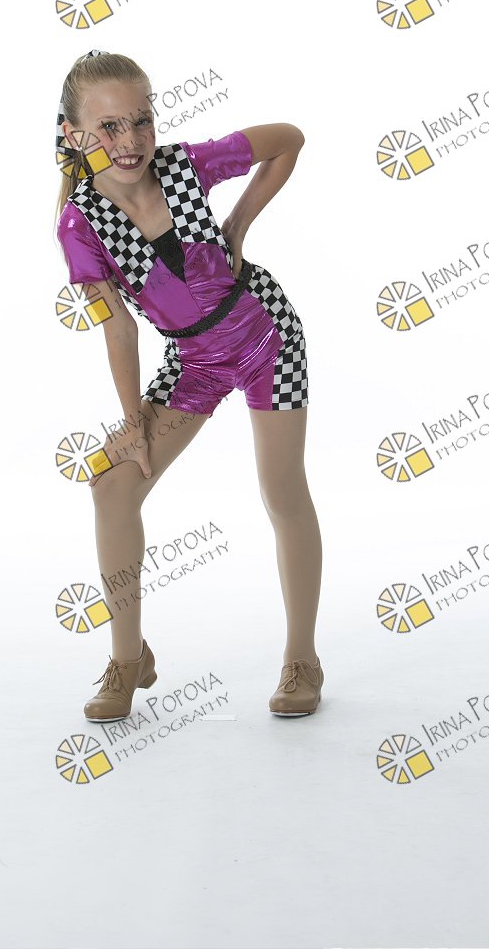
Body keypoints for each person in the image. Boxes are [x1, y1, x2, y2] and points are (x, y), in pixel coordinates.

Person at [54, 49, 323, 719]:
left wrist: (237, 223)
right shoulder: (81, 224)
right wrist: (132, 422)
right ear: (74, 135)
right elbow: (119, 329)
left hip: (265, 335)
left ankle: (302, 658)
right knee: (113, 487)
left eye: (141, 120)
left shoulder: (184, 165)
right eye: (109, 126)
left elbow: (288, 140)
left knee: (282, 489)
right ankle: (128, 659)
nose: (130, 140)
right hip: (195, 361)